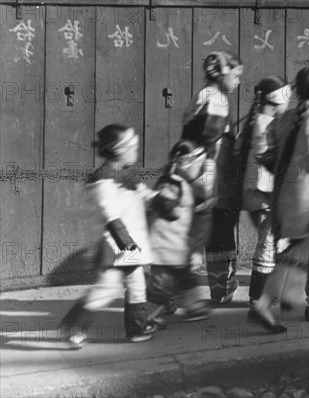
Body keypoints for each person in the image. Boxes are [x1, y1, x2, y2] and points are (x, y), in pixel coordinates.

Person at [248, 66, 309, 333]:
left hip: (282, 199)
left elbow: (265, 155)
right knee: (300, 252)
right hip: (307, 199)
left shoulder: (283, 119)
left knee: (299, 252)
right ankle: (267, 305)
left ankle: (304, 301)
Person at [60, 124, 165, 348]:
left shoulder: (126, 175)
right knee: (107, 289)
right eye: (132, 146)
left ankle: (137, 329)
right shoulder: (102, 179)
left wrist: (164, 200)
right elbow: (110, 214)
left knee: (137, 286)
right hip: (113, 244)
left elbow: (145, 194)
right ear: (119, 149)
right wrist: (126, 243)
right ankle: (74, 324)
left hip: (129, 245)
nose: (136, 150)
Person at [181, 51, 244, 304]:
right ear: (222, 73)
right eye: (237, 75)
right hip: (212, 179)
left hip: (200, 176)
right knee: (218, 232)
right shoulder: (216, 99)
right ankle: (218, 289)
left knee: (207, 235)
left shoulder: (205, 95)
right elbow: (209, 143)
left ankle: (216, 290)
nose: (239, 82)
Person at [145, 140, 214, 329]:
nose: (198, 169)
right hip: (165, 246)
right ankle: (143, 318)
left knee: (186, 278)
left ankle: (194, 307)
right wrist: (170, 207)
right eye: (195, 164)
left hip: (177, 246)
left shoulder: (183, 183)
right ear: (183, 163)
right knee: (160, 287)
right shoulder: (172, 182)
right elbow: (161, 202)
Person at [238, 76, 291, 305]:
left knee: (273, 242)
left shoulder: (253, 121)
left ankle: (270, 293)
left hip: (254, 195)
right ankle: (258, 298)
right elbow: (268, 164)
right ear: (279, 100)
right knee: (269, 244)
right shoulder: (267, 125)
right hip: (266, 195)